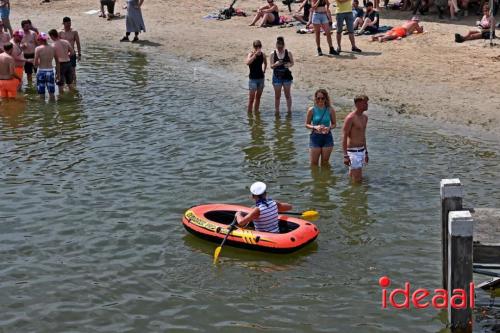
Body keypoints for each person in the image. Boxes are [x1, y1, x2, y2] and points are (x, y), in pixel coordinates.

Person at [305, 89, 336, 166]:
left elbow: (334, 124)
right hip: (315, 137)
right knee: (314, 163)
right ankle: (317, 178)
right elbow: (307, 124)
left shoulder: (330, 109)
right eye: (318, 98)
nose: (320, 100)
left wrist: (329, 128)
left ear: (326, 98)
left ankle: (325, 177)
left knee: (325, 163)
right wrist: (315, 127)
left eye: (322, 98)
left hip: (327, 137)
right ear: (315, 98)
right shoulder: (311, 110)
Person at [342, 95, 369, 182]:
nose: (367, 104)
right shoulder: (350, 118)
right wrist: (345, 155)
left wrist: (366, 152)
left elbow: (363, 135)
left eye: (367, 102)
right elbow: (344, 136)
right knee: (358, 181)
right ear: (357, 104)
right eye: (365, 102)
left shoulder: (365, 117)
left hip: (361, 151)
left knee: (354, 178)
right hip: (353, 152)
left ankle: (350, 194)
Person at [270, 36, 294, 115]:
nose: (280, 48)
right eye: (278, 46)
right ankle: (277, 112)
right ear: (276, 45)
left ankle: (289, 111)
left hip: (286, 76)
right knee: (277, 96)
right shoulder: (273, 54)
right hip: (277, 77)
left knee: (287, 95)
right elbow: (271, 66)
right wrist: (276, 64)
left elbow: (292, 63)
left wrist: (288, 65)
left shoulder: (288, 52)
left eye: (281, 46)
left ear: (283, 45)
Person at [246, 40, 267, 114]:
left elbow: (265, 63)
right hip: (253, 80)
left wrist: (264, 71)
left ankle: (256, 112)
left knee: (258, 98)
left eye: (259, 46)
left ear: (261, 46)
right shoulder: (251, 54)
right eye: (256, 47)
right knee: (251, 99)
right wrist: (254, 55)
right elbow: (247, 62)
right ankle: (249, 115)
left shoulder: (263, 54)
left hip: (261, 79)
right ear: (253, 47)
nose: (258, 48)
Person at [34, 32, 56, 98]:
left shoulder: (38, 49)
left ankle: (42, 108)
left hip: (41, 71)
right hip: (50, 71)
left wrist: (35, 65)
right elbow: (57, 61)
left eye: (38, 40)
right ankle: (52, 107)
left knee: (41, 94)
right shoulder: (52, 47)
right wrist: (59, 73)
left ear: (40, 40)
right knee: (52, 93)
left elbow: (35, 63)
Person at [59, 17, 81, 82]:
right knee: (63, 71)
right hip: (63, 54)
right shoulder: (60, 32)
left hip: (72, 54)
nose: (69, 25)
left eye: (70, 23)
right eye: (67, 23)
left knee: (73, 71)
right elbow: (57, 44)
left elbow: (78, 43)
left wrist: (79, 54)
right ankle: (66, 85)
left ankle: (74, 85)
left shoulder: (74, 32)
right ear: (63, 23)